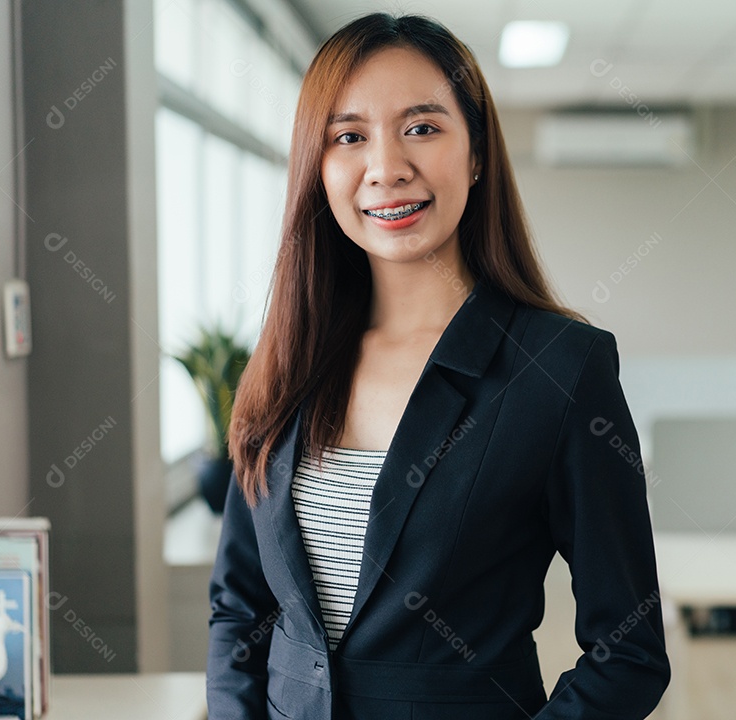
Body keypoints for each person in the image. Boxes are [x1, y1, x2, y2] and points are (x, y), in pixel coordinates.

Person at [206, 11, 670, 719]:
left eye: (422, 127)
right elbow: (240, 610)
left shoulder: (559, 367)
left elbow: (629, 650)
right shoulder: (284, 360)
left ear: (477, 153)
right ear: (317, 165)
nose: (387, 167)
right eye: (349, 136)